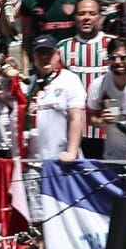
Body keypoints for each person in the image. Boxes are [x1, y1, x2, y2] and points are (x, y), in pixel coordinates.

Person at [57, 0, 113, 159]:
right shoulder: (63, 47)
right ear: (75, 18)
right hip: (75, 129)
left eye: (92, 13)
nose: (86, 17)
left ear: (100, 17)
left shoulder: (113, 44)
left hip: (107, 128)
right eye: (81, 14)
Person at [26, 33, 85, 162]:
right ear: (33, 57)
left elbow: (77, 118)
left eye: (49, 53)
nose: (45, 57)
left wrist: (72, 152)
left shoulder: (69, 79)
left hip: (62, 160)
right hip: (33, 161)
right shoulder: (28, 85)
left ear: (58, 55)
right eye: (40, 54)